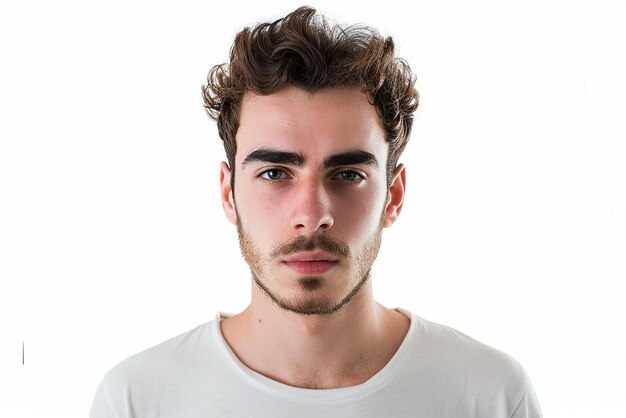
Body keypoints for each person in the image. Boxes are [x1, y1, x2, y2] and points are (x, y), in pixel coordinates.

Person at [90, 6, 542, 417]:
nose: (311, 214)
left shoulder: (489, 394)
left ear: (394, 196)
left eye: (347, 175)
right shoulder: (139, 399)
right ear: (229, 194)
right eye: (274, 173)